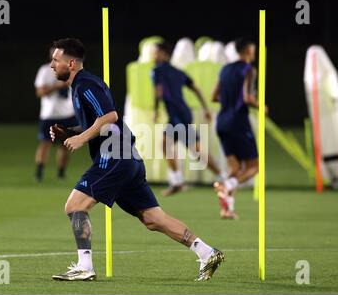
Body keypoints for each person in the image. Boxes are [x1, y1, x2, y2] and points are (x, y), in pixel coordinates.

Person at [48, 38, 224, 282]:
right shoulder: (78, 86)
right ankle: (207, 253)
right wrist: (69, 133)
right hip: (125, 158)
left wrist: (82, 139)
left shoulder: (86, 83)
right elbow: (95, 123)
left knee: (75, 206)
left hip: (115, 156)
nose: (51, 65)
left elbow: (110, 116)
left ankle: (85, 266)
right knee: (153, 219)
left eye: (55, 60)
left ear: (71, 63)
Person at [152, 42, 220, 196]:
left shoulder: (157, 71)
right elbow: (196, 88)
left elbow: (158, 92)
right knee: (166, 143)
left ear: (164, 54)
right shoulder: (178, 72)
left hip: (178, 114)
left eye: (155, 52)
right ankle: (177, 180)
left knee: (195, 150)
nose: (153, 56)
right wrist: (206, 108)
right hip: (182, 113)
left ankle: (222, 177)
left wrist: (156, 110)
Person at [211, 37, 260, 220]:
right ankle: (227, 186)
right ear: (248, 50)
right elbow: (247, 98)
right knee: (254, 166)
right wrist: (261, 106)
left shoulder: (224, 69)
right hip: (238, 121)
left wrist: (229, 100)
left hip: (222, 122)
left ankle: (226, 209)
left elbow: (213, 96)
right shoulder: (249, 70)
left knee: (235, 167)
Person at [34, 47, 78, 182]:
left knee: (65, 145)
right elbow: (39, 92)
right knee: (45, 143)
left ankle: (61, 173)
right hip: (49, 115)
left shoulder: (71, 70)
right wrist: (57, 86)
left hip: (67, 114)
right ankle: (39, 173)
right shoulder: (45, 70)